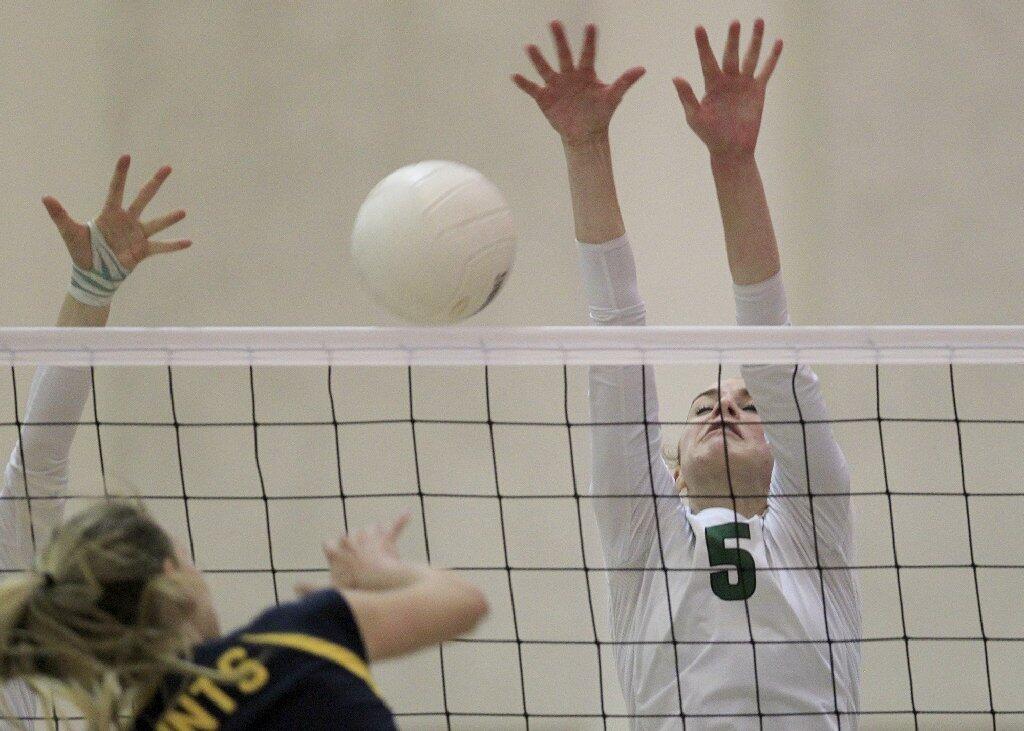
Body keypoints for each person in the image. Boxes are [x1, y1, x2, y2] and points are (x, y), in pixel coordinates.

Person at [0, 157, 489, 729]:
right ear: (171, 577)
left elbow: (37, 465)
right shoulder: (290, 643)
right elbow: (463, 604)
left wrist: (91, 289)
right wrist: (375, 578)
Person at [514, 19, 860, 730]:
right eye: (705, 403)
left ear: (784, 459)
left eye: (745, 405)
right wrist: (586, 147)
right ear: (670, 476)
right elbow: (619, 341)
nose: (725, 410)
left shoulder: (811, 530)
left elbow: (770, 345)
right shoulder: (645, 536)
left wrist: (734, 161)